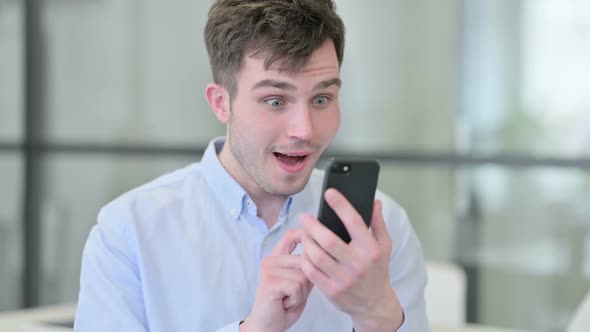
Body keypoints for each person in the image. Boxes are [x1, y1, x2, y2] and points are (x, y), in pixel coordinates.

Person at [74, 0, 429, 331]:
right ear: (221, 103)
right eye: (275, 101)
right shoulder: (129, 233)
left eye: (322, 98)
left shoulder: (383, 230)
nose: (304, 130)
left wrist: (377, 313)